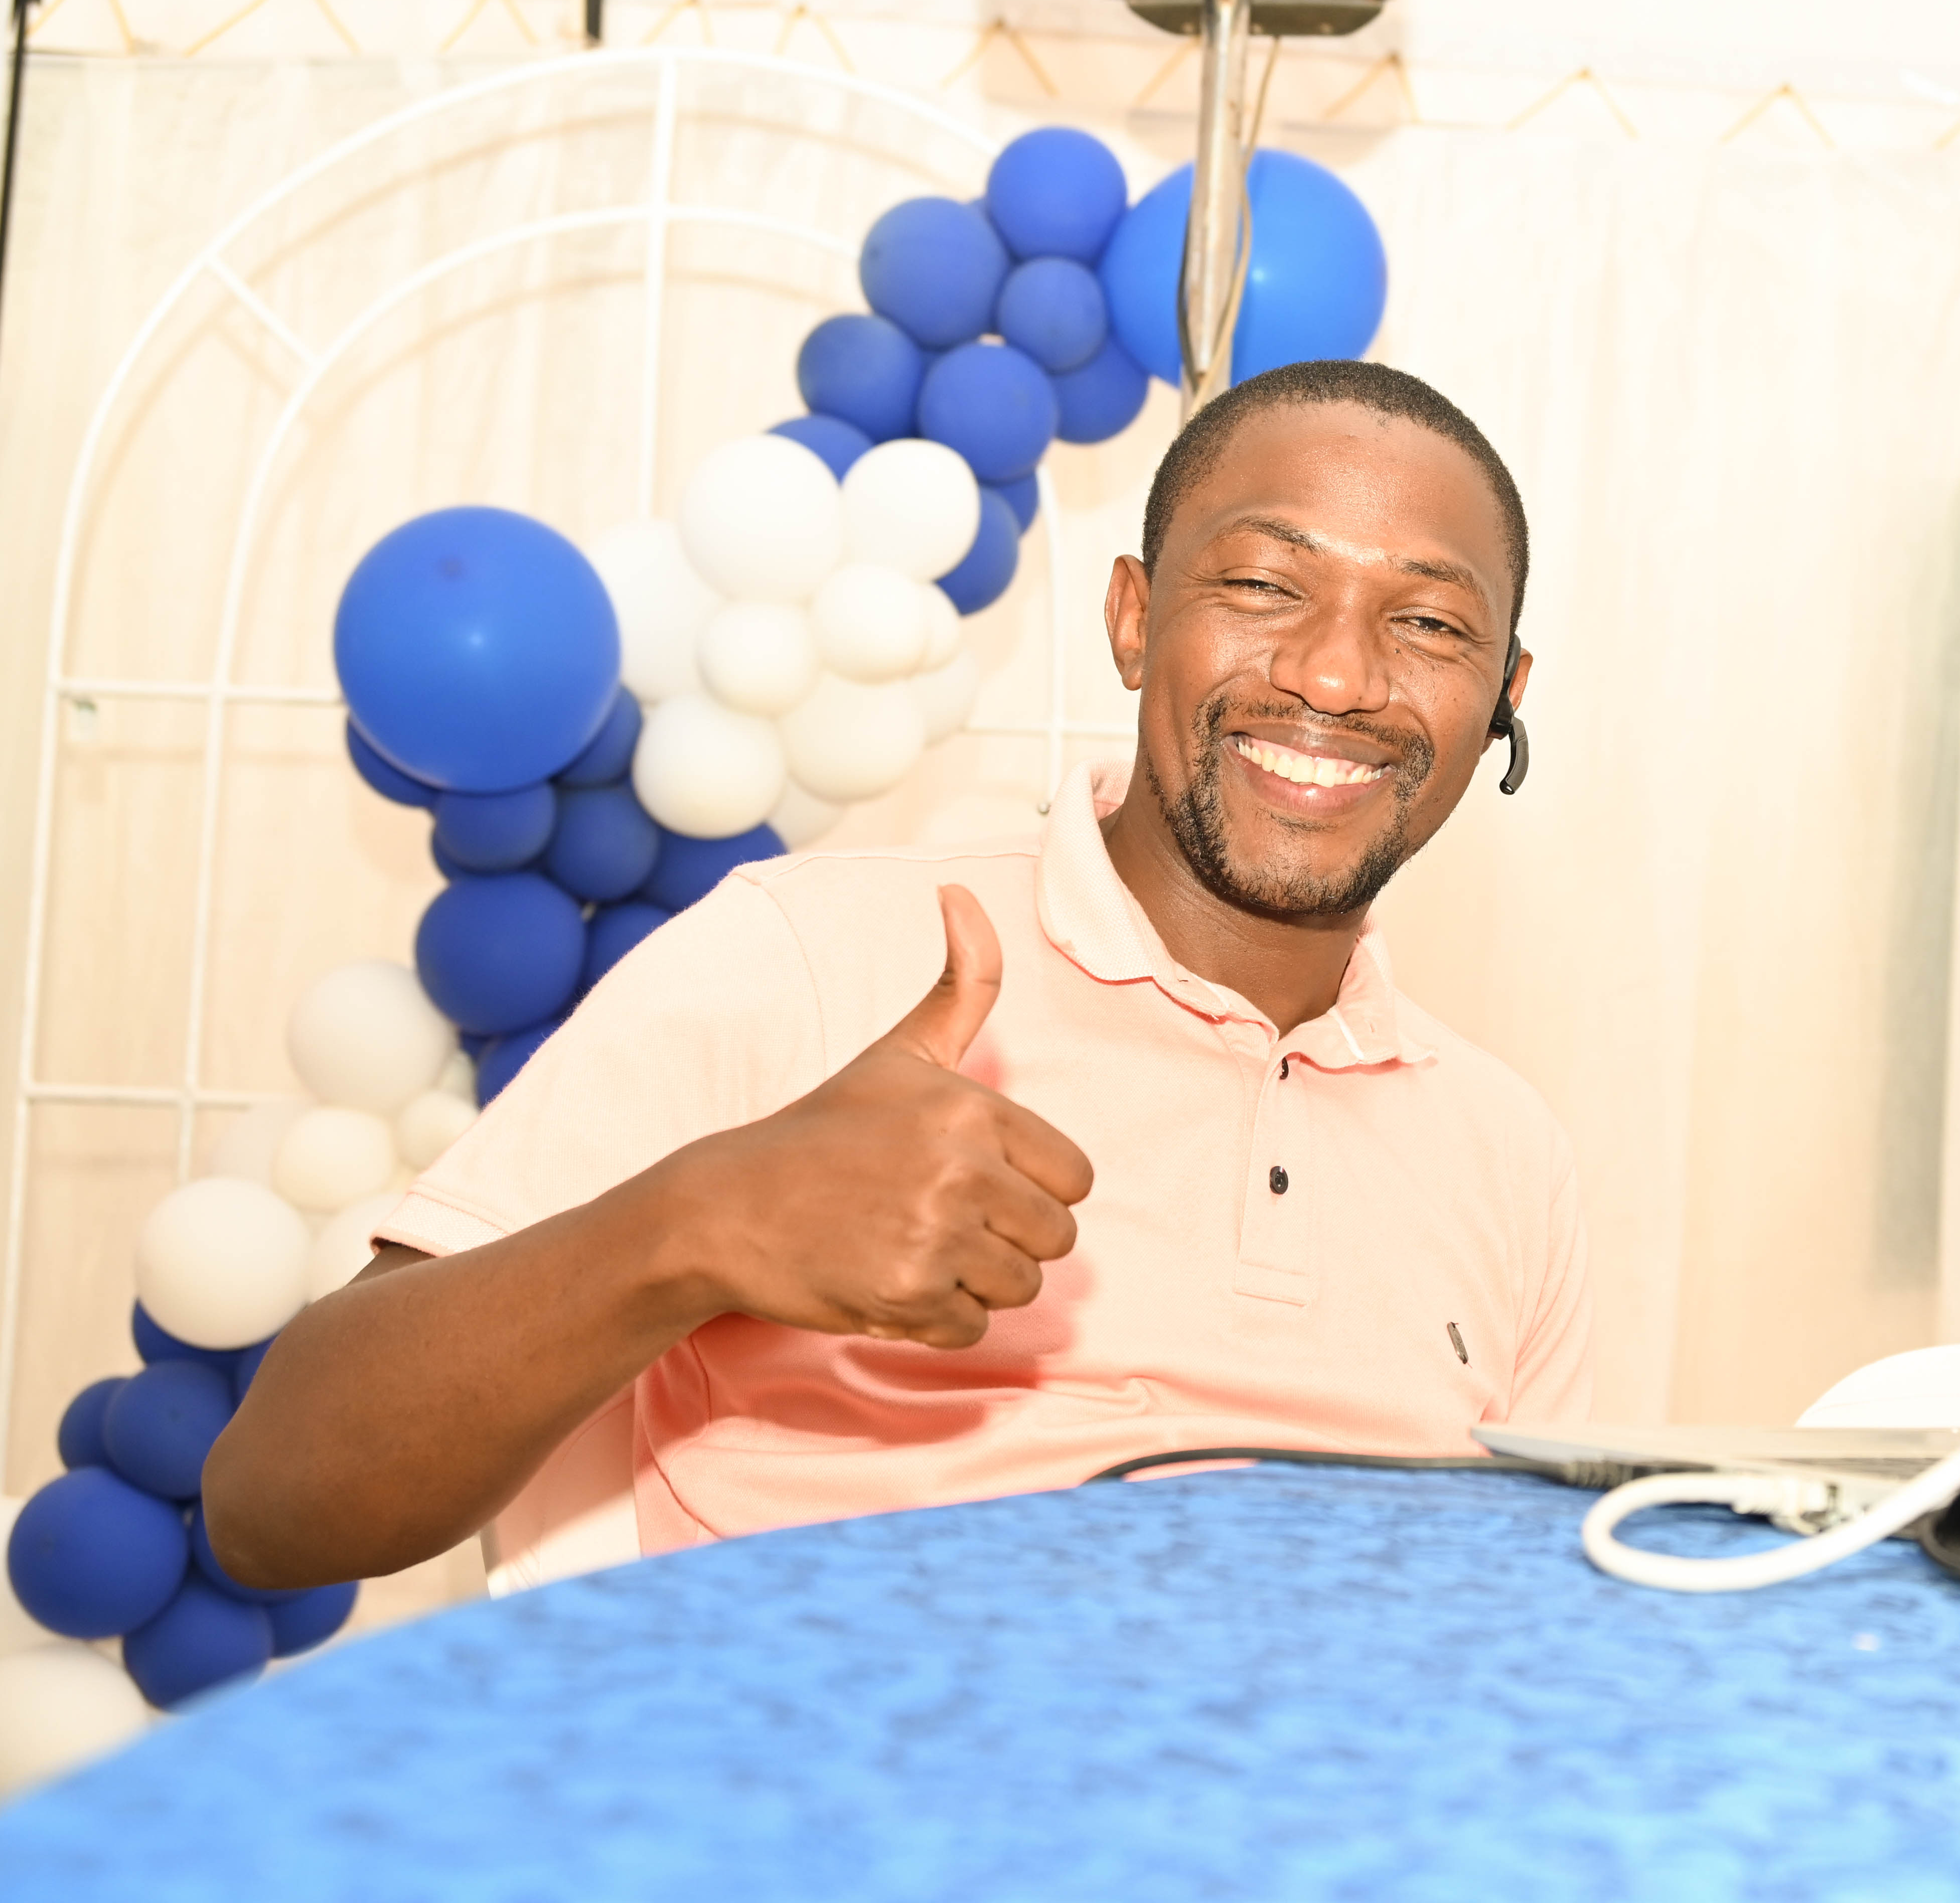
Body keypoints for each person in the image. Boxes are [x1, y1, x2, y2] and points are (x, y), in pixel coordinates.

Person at [203, 360, 1592, 1587]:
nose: (1337, 677)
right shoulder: (812, 960)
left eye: (1429, 624)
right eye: (1264, 586)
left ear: (1505, 697)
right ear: (1131, 618)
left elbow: (1543, 1621)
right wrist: (692, 1226)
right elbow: (273, 1506)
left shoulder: (1507, 1153)